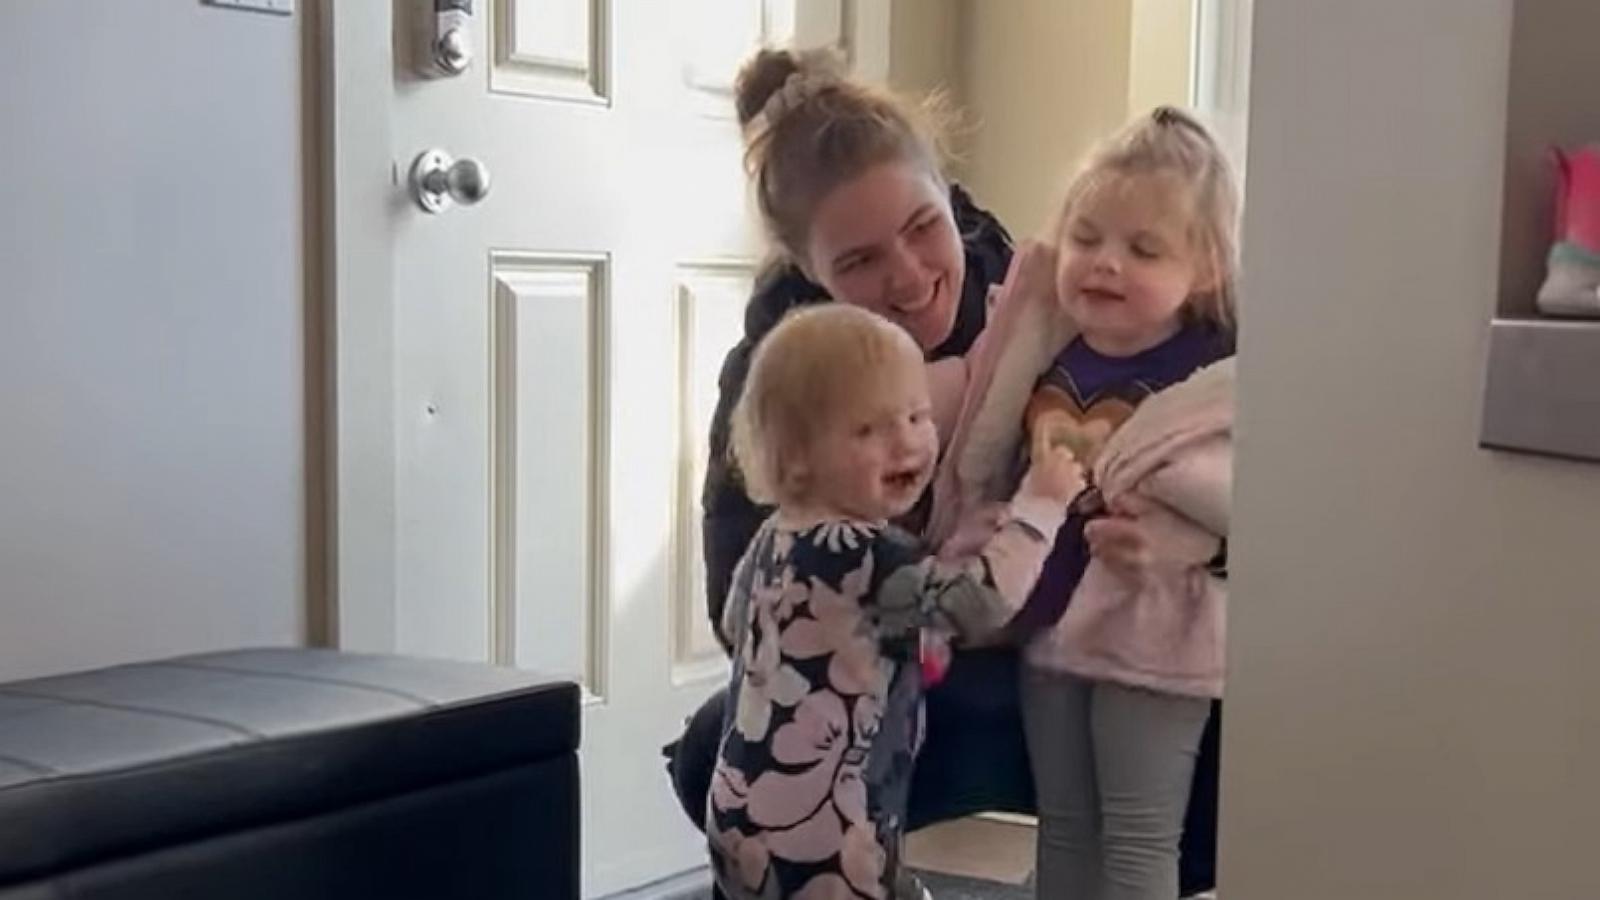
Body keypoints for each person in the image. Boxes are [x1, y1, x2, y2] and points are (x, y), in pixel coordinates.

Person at [664, 44, 1224, 896]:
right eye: (857, 263)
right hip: (914, 649)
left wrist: (1195, 551)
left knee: (1200, 730)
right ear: (809, 274)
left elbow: (1237, 469)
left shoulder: (1043, 302)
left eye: (923, 230)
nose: (909, 277)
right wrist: (894, 590)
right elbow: (740, 607)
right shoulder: (784, 376)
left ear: (950, 204)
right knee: (717, 746)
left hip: (1087, 626)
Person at [925, 106, 1238, 900]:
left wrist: (1180, 545)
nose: (1105, 264)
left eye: (1143, 249)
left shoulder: (1218, 379)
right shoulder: (1046, 351)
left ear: (1201, 269)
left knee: (1136, 841)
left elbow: (1256, 501)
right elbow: (990, 458)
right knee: (1064, 827)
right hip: (1051, 630)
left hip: (1155, 638)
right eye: (1088, 238)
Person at [706, 303, 1081, 899]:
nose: (907, 440)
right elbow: (980, 603)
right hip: (828, 832)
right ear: (797, 453)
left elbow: (741, 621)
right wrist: (1040, 506)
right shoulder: (871, 551)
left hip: (739, 808)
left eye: (916, 415)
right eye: (869, 429)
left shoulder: (774, 535)